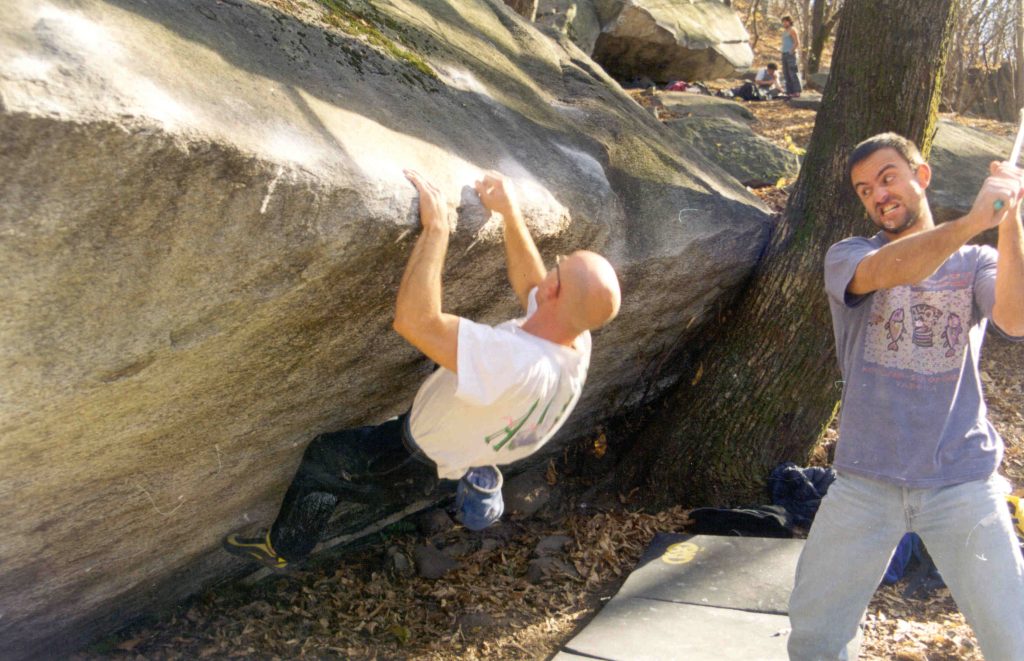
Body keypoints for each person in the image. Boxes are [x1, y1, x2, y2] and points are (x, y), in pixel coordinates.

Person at [222, 170, 621, 569]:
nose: (550, 273)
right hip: (472, 433)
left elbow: (414, 321)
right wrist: (509, 213)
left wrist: (436, 231)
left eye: (560, 267)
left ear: (557, 292)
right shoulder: (574, 338)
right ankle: (461, 469)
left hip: (409, 459)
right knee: (456, 353)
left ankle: (283, 548)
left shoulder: (511, 359)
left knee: (325, 458)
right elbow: (533, 287)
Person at [788, 133, 1024, 659]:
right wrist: (969, 221)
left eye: (888, 177)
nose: (877, 194)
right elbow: (894, 269)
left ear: (922, 176)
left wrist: (1009, 221)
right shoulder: (849, 256)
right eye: (864, 189)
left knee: (1014, 638)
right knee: (815, 637)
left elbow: (1015, 317)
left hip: (962, 481)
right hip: (864, 482)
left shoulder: (977, 262)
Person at [780, 16, 802, 97]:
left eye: (786, 21)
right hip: (784, 53)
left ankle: (797, 91)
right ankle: (790, 92)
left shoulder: (793, 30)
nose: (785, 23)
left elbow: (797, 42)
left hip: (791, 54)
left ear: (790, 22)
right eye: (783, 22)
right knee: (786, 73)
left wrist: (791, 51)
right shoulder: (784, 31)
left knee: (793, 73)